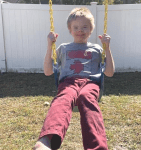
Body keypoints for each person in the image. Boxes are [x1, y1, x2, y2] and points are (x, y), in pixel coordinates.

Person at [33, 7, 115, 150]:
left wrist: (107, 48)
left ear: (91, 29)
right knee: (63, 99)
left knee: (85, 97)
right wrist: (49, 45)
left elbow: (109, 72)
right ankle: (47, 141)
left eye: (85, 27)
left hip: (90, 83)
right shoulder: (63, 48)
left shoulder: (97, 49)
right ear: (70, 30)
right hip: (68, 83)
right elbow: (47, 71)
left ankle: (98, 147)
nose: (80, 30)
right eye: (76, 27)